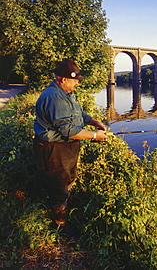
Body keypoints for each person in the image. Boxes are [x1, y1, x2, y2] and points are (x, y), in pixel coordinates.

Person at [33, 58, 107, 232]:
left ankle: (60, 211)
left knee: (66, 179)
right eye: (75, 80)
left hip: (64, 147)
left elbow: (77, 112)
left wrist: (93, 121)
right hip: (53, 148)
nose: (77, 84)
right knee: (58, 185)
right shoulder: (53, 96)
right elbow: (68, 130)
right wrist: (95, 136)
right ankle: (60, 226)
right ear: (64, 79)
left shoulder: (65, 92)